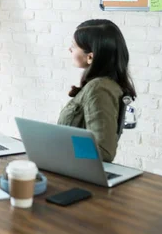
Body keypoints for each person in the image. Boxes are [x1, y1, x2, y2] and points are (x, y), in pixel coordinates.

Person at [57, 19, 137, 162]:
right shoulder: (102, 84)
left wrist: (57, 143)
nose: (70, 49)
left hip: (79, 171)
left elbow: (103, 151)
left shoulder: (99, 88)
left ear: (90, 57)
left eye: (74, 46)